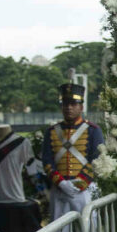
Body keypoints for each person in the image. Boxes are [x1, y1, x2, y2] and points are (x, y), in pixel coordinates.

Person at [42, 83, 104, 217]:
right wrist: (61, 182)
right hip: (59, 188)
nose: (69, 108)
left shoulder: (93, 130)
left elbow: (97, 159)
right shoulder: (52, 131)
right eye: (65, 104)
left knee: (88, 231)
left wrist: (80, 183)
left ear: (81, 107)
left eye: (73, 104)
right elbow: (47, 160)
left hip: (85, 189)